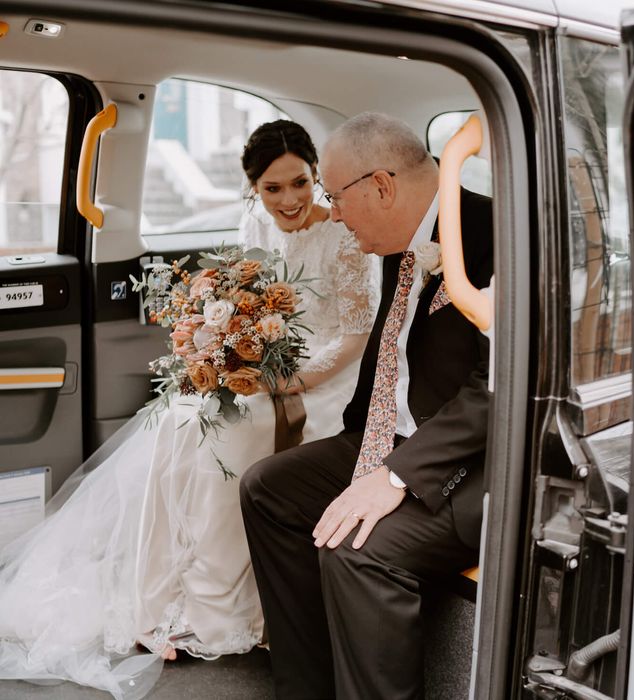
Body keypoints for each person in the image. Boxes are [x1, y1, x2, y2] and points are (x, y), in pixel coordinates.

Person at [0, 120, 379, 699]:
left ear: (317, 177)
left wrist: (285, 382)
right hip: (262, 370)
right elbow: (234, 297)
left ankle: (220, 610)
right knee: (182, 418)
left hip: (326, 382)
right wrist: (222, 351)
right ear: (253, 189)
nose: (289, 200)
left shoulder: (345, 238)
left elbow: (352, 337)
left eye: (300, 183)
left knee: (228, 434)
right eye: (272, 189)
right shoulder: (255, 221)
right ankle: (162, 595)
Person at [240, 112, 493, 699]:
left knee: (356, 550)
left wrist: (397, 475)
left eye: (332, 194)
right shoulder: (395, 239)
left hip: (469, 464)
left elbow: (495, 388)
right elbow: (392, 351)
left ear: (380, 186)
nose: (332, 211)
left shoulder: (496, 234)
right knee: (267, 489)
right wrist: (363, 453)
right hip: (386, 437)